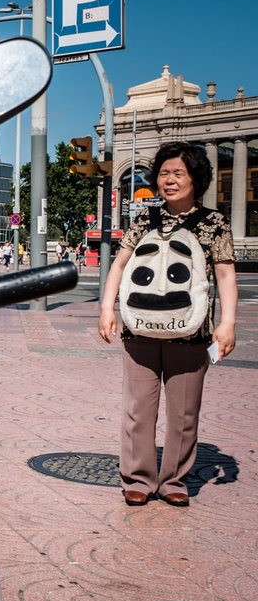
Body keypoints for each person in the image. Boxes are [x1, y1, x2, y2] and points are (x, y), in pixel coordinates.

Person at [98, 141, 236, 508]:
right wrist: (107, 309)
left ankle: (174, 479)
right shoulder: (144, 219)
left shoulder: (213, 224)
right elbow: (119, 264)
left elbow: (225, 274)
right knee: (137, 410)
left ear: (196, 178)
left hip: (192, 334)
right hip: (140, 329)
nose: (169, 180)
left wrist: (228, 324)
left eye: (178, 173)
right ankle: (139, 479)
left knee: (184, 412)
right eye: (163, 174)